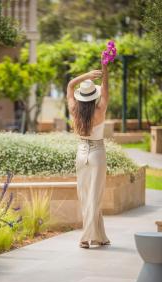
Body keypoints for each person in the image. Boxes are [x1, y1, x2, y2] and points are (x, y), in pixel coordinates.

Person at [66, 64, 110, 249]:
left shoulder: (74, 109)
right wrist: (104, 68)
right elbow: (106, 88)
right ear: (94, 96)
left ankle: (100, 236)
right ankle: (85, 238)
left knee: (86, 196)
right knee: (95, 197)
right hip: (97, 153)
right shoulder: (99, 110)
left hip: (81, 153)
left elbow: (70, 86)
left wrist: (85, 76)